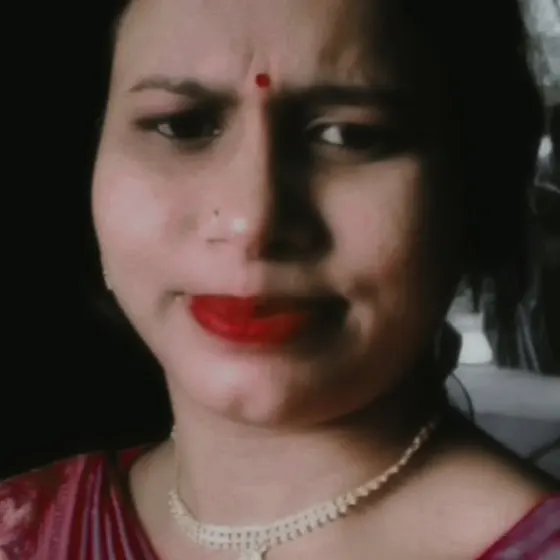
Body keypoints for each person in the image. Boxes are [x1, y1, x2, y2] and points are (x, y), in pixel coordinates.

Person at [1, 0, 558, 558]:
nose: (253, 221)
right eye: (181, 126)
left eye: (349, 135)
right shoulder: (20, 530)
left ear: (472, 188)